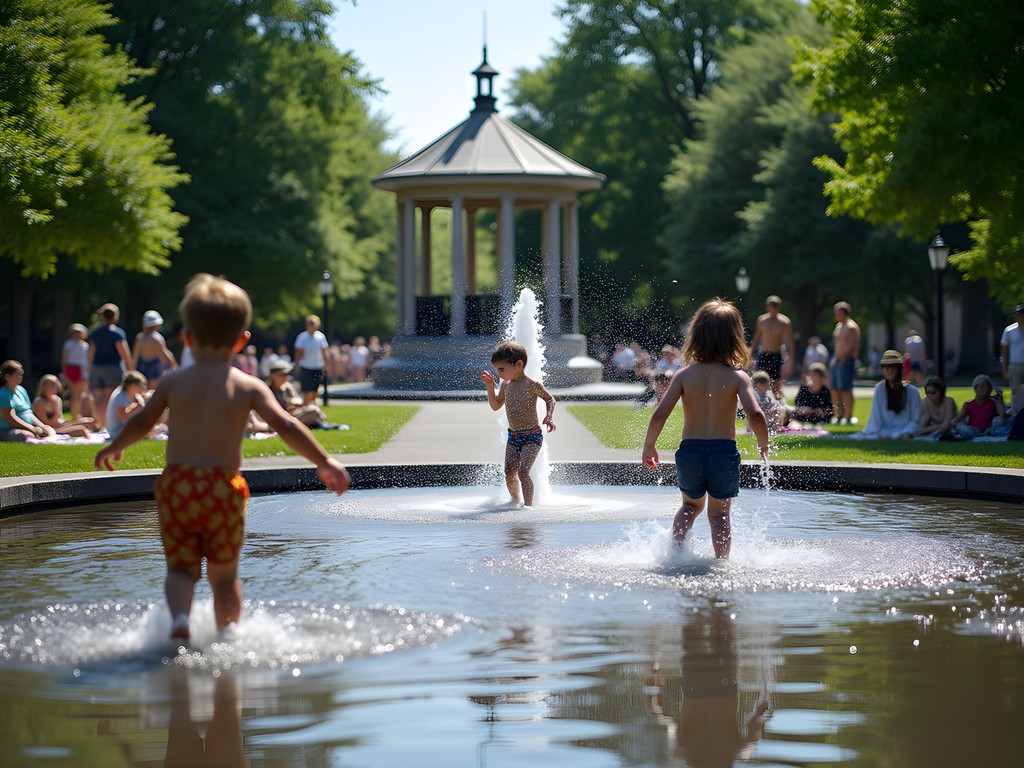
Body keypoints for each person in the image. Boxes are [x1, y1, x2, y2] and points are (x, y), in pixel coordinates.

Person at [95, 273, 350, 643]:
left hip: (178, 484)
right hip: (222, 488)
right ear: (242, 340)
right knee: (224, 575)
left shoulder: (173, 382)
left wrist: (114, 446)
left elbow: (140, 422)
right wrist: (324, 460)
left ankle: (180, 620)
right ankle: (228, 639)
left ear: (186, 338)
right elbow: (287, 425)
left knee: (180, 569)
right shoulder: (247, 385)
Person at [642, 299, 770, 558]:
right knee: (720, 514)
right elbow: (756, 415)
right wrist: (763, 443)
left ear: (696, 335)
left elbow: (659, 415)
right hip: (723, 452)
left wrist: (649, 445)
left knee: (689, 506)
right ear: (735, 337)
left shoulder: (684, 375)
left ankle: (675, 555)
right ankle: (721, 563)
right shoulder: (737, 377)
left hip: (690, 451)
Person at [481, 339, 556, 507]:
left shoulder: (532, 385)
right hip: (514, 436)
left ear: (519, 365)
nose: (499, 373)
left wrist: (549, 417)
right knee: (509, 473)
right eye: (497, 370)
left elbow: (550, 400)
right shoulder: (506, 386)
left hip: (532, 437)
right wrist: (490, 386)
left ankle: (528, 508)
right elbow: (495, 406)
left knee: (523, 472)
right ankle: (514, 501)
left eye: (501, 369)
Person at [854, 349, 921, 439]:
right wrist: (881, 433)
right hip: (884, 432)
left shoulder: (913, 392)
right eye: (886, 368)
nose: (890, 371)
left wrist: (907, 432)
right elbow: (876, 418)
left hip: (906, 431)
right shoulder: (879, 389)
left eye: (893, 368)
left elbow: (915, 420)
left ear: (899, 369)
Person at [87, 303, 133, 430]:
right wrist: (130, 368)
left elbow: (90, 354)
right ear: (115, 316)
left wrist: (90, 369)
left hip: (97, 368)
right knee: (108, 398)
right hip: (113, 368)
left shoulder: (94, 333)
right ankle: (108, 425)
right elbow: (124, 352)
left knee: (98, 398)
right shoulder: (117, 333)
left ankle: (101, 425)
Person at [266, 360, 342, 429]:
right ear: (273, 376)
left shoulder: (288, 388)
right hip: (278, 420)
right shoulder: (268, 390)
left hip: (291, 416)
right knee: (312, 412)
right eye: (283, 375)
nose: (286, 377)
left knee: (313, 409)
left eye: (287, 375)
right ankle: (321, 424)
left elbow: (296, 401)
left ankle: (321, 423)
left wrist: (296, 404)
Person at [747, 295, 796, 396]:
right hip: (764, 354)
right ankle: (762, 405)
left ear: (779, 307)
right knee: (759, 382)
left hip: (776, 355)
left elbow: (790, 342)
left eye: (776, 306)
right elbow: (756, 338)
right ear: (767, 307)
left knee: (776, 384)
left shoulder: (784, 322)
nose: (773, 308)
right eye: (772, 306)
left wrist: (790, 361)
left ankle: (775, 406)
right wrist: (749, 355)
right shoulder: (762, 320)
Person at [0, 360, 56, 442]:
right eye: (18, 375)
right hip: (8, 430)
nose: (21, 377)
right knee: (26, 435)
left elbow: (29, 413)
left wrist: (42, 426)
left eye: (21, 374)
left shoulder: (21, 390)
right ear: (7, 376)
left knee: (49, 430)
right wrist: (31, 428)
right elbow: (10, 420)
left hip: (28, 427)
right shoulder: (3, 394)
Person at [105, 370, 164, 442]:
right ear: (132, 385)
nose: (143, 388)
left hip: (126, 430)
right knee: (151, 431)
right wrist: (133, 409)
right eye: (141, 386)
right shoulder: (119, 397)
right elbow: (125, 420)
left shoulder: (135, 395)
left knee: (160, 428)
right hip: (117, 432)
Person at [945, 374, 1008, 440]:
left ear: (990, 388)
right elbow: (959, 418)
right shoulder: (968, 404)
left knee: (999, 421)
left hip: (991, 430)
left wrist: (1000, 399)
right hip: (973, 430)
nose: (979, 388)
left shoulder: (994, 402)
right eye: (976, 386)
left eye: (983, 386)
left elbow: (1002, 414)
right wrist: (951, 424)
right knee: (962, 427)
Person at [829, 301, 862, 424]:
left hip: (846, 361)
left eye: (838, 313)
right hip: (836, 360)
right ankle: (838, 415)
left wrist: (843, 356)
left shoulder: (851, 327)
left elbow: (854, 344)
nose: (836, 316)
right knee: (835, 388)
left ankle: (848, 416)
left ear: (844, 313)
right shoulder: (839, 326)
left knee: (845, 389)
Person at [132, 309, 178, 389]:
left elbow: (135, 357)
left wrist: (132, 371)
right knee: (153, 391)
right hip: (155, 368)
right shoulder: (156, 338)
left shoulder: (140, 337)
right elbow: (164, 354)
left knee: (144, 392)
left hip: (143, 366)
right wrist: (174, 366)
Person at [294, 315, 328, 405]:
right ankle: (305, 407)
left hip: (318, 366)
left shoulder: (321, 337)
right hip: (306, 366)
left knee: (315, 390)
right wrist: (297, 364)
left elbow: (324, 351)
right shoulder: (302, 337)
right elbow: (298, 353)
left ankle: (312, 408)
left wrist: (326, 365)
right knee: (306, 390)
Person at [62, 322, 93, 420]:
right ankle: (75, 416)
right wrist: (65, 372)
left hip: (83, 370)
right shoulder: (69, 344)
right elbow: (65, 359)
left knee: (81, 394)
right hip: (74, 369)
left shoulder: (85, 345)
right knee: (76, 395)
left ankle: (79, 414)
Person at [1000, 304, 1024, 391]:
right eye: (1019, 315)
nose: (1021, 317)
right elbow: (1004, 351)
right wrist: (1004, 368)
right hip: (1015, 365)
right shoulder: (1009, 330)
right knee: (1016, 391)